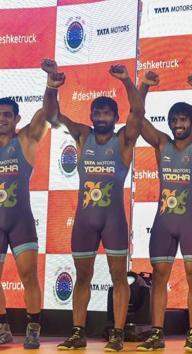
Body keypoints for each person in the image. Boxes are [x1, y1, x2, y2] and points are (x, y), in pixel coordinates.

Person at [44, 62, 144, 352]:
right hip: (85, 221)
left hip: (113, 221)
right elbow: (52, 116)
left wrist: (127, 81)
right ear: (91, 116)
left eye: (106, 113)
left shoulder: (124, 139)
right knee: (82, 276)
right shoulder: (82, 135)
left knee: (118, 277)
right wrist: (52, 85)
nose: (101, 117)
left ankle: (117, 334)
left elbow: (138, 113)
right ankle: (77, 332)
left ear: (114, 117)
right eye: (97, 113)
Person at [136, 71, 192, 353]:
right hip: (163, 224)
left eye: (183, 120)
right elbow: (136, 120)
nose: (178, 125)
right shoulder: (162, 143)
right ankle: (158, 333)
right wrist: (145, 87)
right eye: (174, 120)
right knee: (159, 277)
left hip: (191, 225)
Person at [0, 59, 52, 350]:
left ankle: (33, 326)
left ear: (17, 119)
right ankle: (3, 328)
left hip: (20, 220)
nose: (2, 119)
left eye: (7, 115)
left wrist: (50, 85)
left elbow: (45, 114)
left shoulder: (25, 141)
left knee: (28, 275)